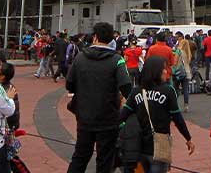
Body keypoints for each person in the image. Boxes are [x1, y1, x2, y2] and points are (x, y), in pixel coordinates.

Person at [66, 22, 133, 173]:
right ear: (111, 39)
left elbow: (69, 85)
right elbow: (127, 87)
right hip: (108, 118)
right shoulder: (117, 60)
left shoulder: (80, 58)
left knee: (80, 157)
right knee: (105, 159)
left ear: (95, 37)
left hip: (84, 117)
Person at [118, 56, 195, 173]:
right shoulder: (168, 91)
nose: (166, 71)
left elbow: (122, 116)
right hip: (160, 146)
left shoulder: (136, 91)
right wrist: (188, 138)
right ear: (156, 72)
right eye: (163, 69)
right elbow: (177, 118)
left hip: (138, 145)